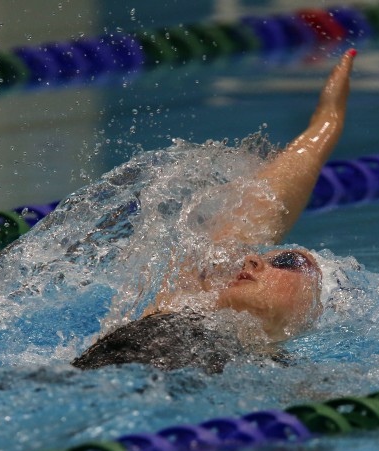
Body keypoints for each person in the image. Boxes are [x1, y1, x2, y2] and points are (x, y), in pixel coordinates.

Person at [72, 48, 357, 373]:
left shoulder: (286, 379)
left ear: (316, 310)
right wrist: (328, 121)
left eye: (288, 261)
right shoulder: (184, 299)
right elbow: (267, 200)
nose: (252, 259)